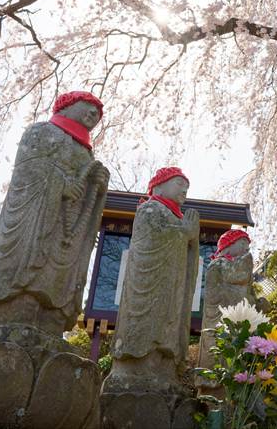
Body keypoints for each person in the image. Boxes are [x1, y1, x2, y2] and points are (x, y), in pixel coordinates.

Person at [0, 91, 109, 336]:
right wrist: (61, 183)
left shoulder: (86, 153)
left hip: (67, 225)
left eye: (97, 114)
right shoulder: (43, 132)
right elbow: (28, 169)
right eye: (87, 107)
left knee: (57, 274)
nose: (93, 114)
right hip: (36, 218)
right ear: (67, 106)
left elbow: (86, 190)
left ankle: (52, 318)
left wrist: (96, 185)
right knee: (28, 269)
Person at [105, 167, 201, 393]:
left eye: (186, 187)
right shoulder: (150, 209)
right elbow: (150, 241)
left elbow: (188, 254)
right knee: (147, 323)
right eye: (179, 183)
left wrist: (192, 240)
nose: (184, 189)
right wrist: (183, 233)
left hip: (172, 286)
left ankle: (164, 368)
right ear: (159, 186)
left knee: (169, 323)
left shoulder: (177, 216)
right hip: (150, 282)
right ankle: (136, 371)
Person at [196, 229, 257, 394]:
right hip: (219, 321)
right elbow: (237, 277)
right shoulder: (218, 264)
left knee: (239, 360)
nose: (246, 249)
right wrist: (246, 264)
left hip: (239, 323)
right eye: (243, 244)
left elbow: (248, 294)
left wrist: (256, 303)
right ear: (228, 246)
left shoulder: (240, 266)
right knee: (218, 358)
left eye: (248, 246)